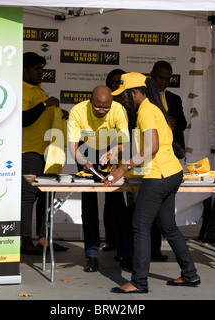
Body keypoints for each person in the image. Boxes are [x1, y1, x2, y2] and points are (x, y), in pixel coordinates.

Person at [105, 73, 200, 293]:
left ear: (135, 92)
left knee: (140, 226)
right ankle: (190, 274)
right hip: (173, 173)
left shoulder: (146, 111)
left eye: (124, 96)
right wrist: (117, 150)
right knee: (168, 226)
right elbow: (146, 144)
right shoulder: (153, 109)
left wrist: (123, 167)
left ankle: (139, 282)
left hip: (159, 176)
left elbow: (152, 147)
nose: (122, 100)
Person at [68, 85, 133, 272]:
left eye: (106, 107)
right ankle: (92, 255)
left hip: (110, 147)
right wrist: (83, 162)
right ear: (90, 101)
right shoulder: (77, 111)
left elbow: (125, 142)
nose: (102, 111)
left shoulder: (118, 109)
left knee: (117, 203)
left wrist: (117, 159)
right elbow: (72, 146)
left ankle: (126, 253)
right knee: (89, 204)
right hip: (85, 148)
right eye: (98, 107)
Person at [21, 52, 69, 254]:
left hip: (48, 153)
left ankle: (43, 238)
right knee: (28, 197)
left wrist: (58, 113)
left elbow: (44, 116)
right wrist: (44, 105)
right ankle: (24, 241)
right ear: (24, 70)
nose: (41, 72)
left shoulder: (39, 90)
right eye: (37, 69)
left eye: (42, 69)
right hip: (28, 151)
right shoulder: (22, 90)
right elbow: (23, 119)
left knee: (46, 195)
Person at [149, 60, 188, 261]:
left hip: (171, 157)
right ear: (151, 75)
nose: (164, 82)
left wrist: (174, 124)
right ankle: (148, 249)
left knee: (164, 210)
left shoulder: (175, 99)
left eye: (168, 79)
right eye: (160, 78)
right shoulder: (145, 97)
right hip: (149, 158)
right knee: (147, 209)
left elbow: (183, 123)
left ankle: (155, 250)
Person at [100, 69, 127, 253]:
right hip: (109, 154)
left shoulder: (131, 105)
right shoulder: (102, 106)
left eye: (120, 82)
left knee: (131, 202)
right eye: (113, 82)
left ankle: (127, 243)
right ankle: (113, 240)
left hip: (132, 155)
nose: (117, 86)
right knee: (112, 198)